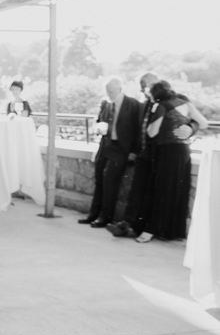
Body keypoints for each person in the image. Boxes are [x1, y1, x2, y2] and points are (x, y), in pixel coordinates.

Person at [108, 72, 199, 238]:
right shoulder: (142, 103)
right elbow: (137, 129)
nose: (144, 92)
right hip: (144, 154)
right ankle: (128, 225)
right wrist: (135, 152)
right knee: (136, 192)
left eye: (147, 87)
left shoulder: (176, 100)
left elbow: (193, 119)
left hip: (162, 154)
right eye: (142, 88)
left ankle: (143, 228)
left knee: (154, 193)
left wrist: (190, 129)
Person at [136, 81, 209, 243]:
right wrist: (188, 127)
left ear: (156, 94)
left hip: (168, 152)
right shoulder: (184, 102)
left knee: (161, 190)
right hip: (183, 152)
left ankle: (151, 229)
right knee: (177, 189)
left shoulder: (161, 106)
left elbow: (152, 132)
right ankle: (171, 231)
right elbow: (204, 123)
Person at [78, 76, 141, 228]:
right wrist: (99, 126)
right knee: (99, 180)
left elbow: (138, 130)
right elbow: (99, 120)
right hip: (105, 146)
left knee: (110, 182)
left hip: (121, 149)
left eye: (112, 91)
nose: (109, 94)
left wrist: (133, 152)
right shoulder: (105, 103)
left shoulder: (133, 104)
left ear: (120, 89)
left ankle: (105, 217)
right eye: (107, 91)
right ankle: (93, 214)